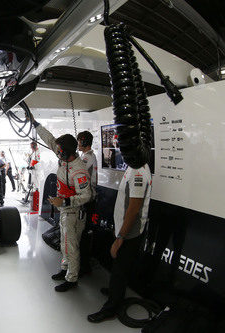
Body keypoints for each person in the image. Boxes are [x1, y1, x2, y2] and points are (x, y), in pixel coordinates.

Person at [29, 114, 92, 292]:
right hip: (65, 210)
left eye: (59, 151)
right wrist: (36, 124)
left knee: (71, 246)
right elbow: (50, 139)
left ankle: (72, 279)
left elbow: (86, 195)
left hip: (74, 212)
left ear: (66, 152)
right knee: (65, 243)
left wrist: (63, 201)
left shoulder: (78, 171)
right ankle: (65, 269)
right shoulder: (64, 155)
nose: (56, 151)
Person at [88, 164, 152, 323]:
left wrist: (120, 237)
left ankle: (111, 309)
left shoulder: (138, 171)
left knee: (119, 271)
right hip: (124, 229)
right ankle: (114, 292)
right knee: (118, 267)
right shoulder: (134, 166)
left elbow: (134, 208)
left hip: (130, 233)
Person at [77, 130, 98, 274]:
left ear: (84, 142)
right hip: (88, 199)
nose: (77, 144)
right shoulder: (87, 156)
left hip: (87, 200)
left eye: (79, 141)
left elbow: (77, 172)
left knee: (83, 234)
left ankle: (84, 266)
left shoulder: (87, 158)